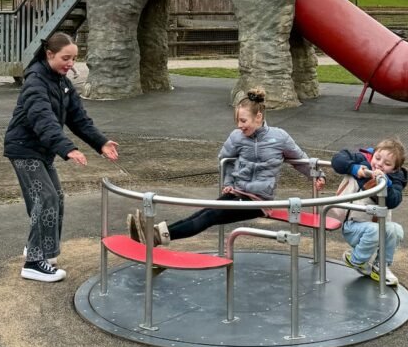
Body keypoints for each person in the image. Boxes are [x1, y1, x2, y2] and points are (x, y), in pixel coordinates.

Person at [127, 87, 324, 245]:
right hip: (237, 192)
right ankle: (155, 234)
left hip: (259, 201)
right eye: (237, 120)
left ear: (259, 117)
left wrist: (317, 175)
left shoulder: (279, 137)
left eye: (243, 120)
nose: (239, 125)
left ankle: (157, 236)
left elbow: (300, 159)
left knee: (210, 215)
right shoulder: (237, 136)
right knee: (205, 211)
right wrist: (228, 182)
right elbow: (225, 159)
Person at [4, 32, 119, 283]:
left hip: (42, 150)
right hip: (24, 149)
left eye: (74, 58)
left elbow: (78, 118)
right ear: (49, 54)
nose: (70, 63)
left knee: (55, 197)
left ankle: (46, 251)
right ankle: (33, 262)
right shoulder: (36, 82)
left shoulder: (62, 82)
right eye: (65, 58)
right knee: (44, 198)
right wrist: (67, 148)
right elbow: (42, 120)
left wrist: (100, 142)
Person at [329, 138, 408, 286]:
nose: (379, 164)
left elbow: (394, 200)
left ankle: (381, 266)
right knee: (375, 230)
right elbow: (337, 160)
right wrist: (353, 168)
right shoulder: (363, 161)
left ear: (395, 169)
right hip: (353, 225)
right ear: (373, 154)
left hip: (376, 227)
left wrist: (385, 185)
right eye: (378, 158)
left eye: (387, 164)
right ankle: (355, 259)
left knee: (396, 230)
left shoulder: (395, 179)